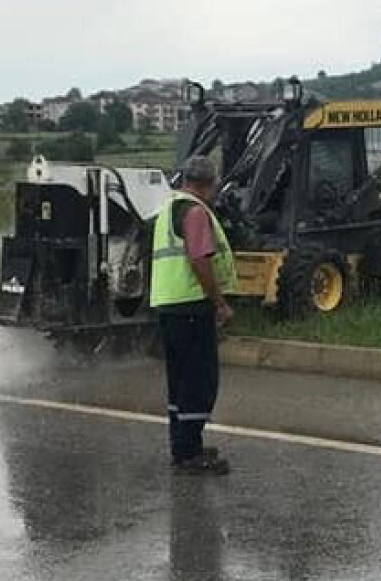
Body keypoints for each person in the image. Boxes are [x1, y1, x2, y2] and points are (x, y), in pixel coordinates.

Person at [151, 156, 239, 475]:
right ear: (208, 184)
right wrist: (219, 303)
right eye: (214, 184)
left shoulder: (168, 207)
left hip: (169, 305)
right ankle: (189, 454)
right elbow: (199, 259)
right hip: (191, 305)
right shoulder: (195, 211)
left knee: (179, 381)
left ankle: (183, 445)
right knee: (199, 382)